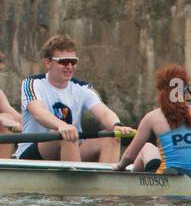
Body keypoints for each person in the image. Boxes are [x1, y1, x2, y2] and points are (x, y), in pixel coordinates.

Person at [17, 34, 132, 163]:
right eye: (64, 62)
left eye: (73, 62)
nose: (70, 67)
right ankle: (75, 180)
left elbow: (104, 112)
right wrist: (61, 125)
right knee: (66, 134)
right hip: (33, 153)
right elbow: (38, 112)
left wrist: (116, 125)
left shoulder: (83, 88)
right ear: (48, 62)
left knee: (111, 137)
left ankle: (105, 182)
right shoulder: (32, 83)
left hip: (71, 146)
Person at [115, 64, 191, 178]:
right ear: (185, 89)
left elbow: (129, 157)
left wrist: (118, 167)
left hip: (166, 181)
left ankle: (135, 187)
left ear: (161, 91)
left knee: (146, 147)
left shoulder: (152, 117)